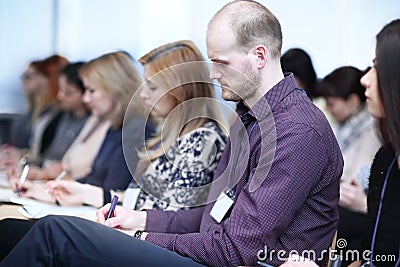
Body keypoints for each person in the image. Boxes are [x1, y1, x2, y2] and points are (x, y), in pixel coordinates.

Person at [0, 1, 343, 266]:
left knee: (56, 233)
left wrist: (142, 235)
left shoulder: (297, 132)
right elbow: (208, 215)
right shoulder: (251, 120)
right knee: (17, 230)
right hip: (213, 255)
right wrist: (138, 218)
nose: (212, 73)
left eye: (220, 62)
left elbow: (237, 249)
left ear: (258, 56)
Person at [9, 51, 151, 207]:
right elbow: (93, 179)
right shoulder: (116, 126)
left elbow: (111, 190)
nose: (86, 99)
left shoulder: (136, 129)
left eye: (92, 91)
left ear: (115, 89)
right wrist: (42, 189)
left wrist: (56, 190)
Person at [318, 66, 381, 265]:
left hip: (355, 207)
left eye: (331, 103)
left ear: (353, 101)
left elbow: (355, 179)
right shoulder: (343, 128)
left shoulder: (373, 132)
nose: (327, 108)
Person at [9, 55, 69, 160]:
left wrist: (24, 157)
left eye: (29, 76)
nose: (23, 80)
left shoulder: (59, 115)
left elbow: (48, 156)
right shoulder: (35, 112)